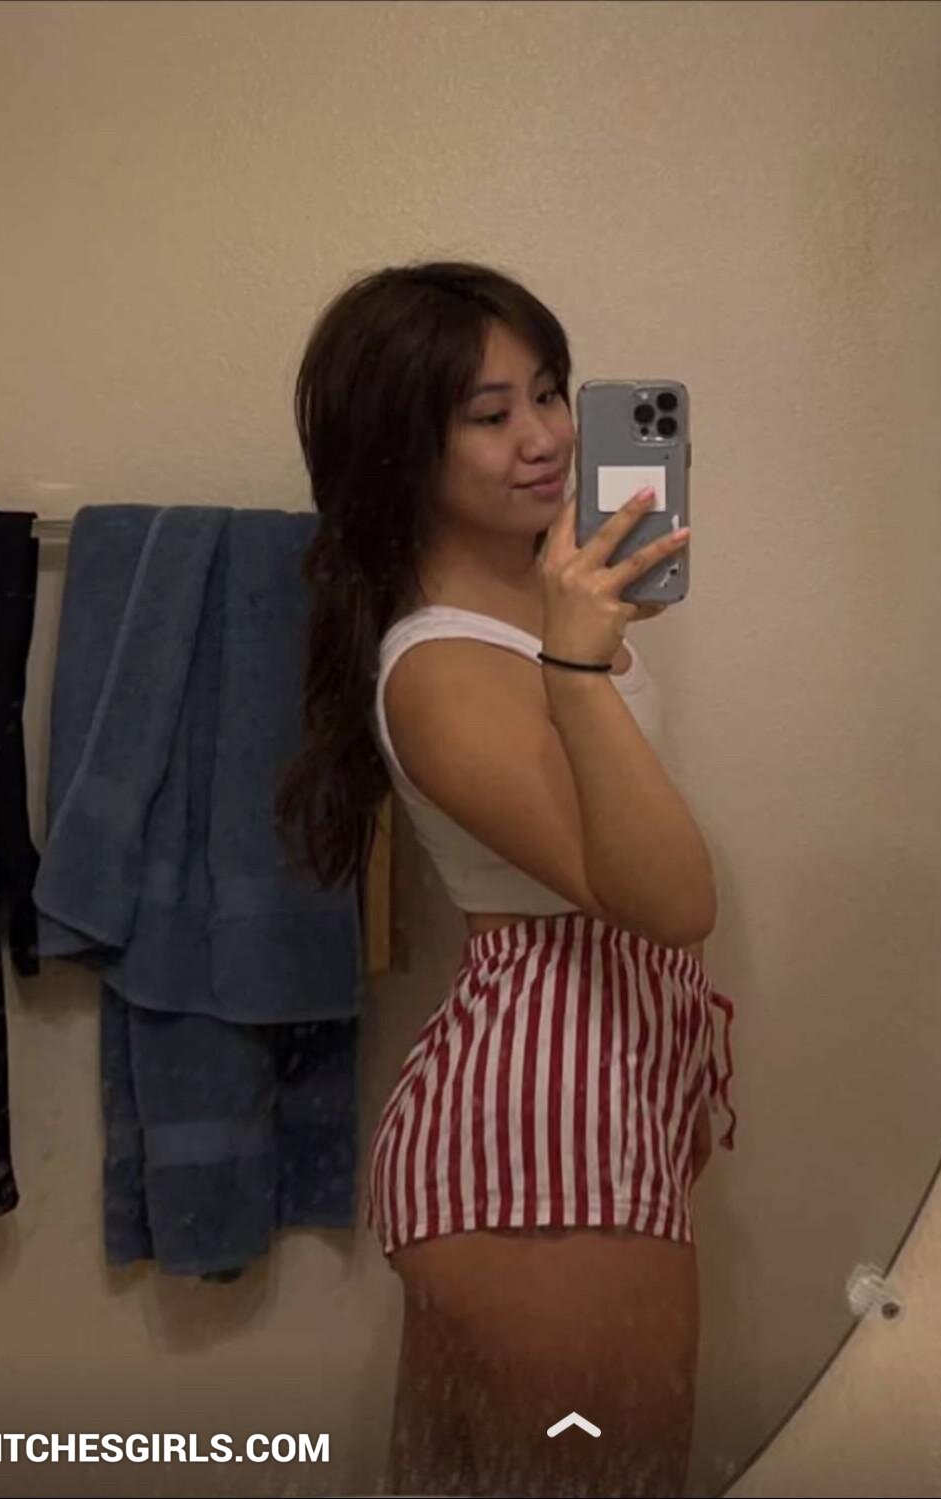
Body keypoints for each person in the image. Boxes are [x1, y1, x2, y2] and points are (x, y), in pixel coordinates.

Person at [275, 260, 737, 1497]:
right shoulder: (444, 667)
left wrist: (578, 644)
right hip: (544, 1125)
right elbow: (674, 901)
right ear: (399, 448)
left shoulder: (537, 608)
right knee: (612, 1478)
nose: (543, 437)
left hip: (575, 1106)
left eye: (548, 392)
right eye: (490, 414)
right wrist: (577, 671)